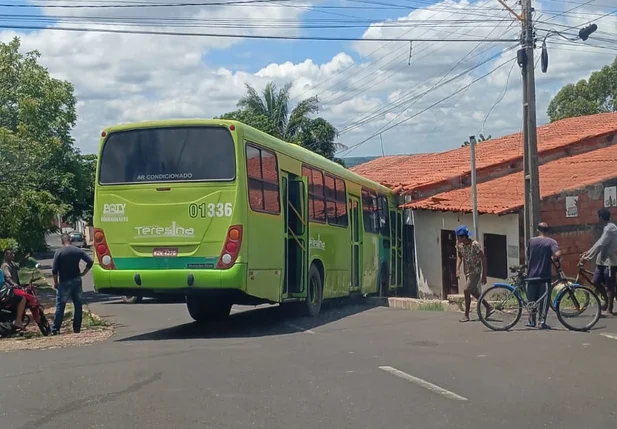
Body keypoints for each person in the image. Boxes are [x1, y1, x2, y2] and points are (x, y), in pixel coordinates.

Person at [51, 233, 94, 335]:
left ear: (62, 241)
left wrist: (55, 282)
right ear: (70, 240)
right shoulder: (78, 251)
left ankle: (56, 329)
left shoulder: (59, 252)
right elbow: (90, 262)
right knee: (78, 305)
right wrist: (83, 273)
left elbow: (54, 270)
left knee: (60, 305)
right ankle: (76, 328)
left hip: (64, 281)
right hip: (76, 280)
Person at [580, 208, 617, 317]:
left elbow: (600, 244)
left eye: (598, 217)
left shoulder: (610, 229)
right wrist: (588, 252)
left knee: (609, 285)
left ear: (600, 218)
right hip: (601, 260)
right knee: (596, 281)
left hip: (610, 261)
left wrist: (587, 257)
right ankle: (606, 302)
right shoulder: (606, 227)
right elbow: (598, 243)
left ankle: (609, 309)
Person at [526, 222, 561, 329]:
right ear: (547, 231)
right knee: (544, 301)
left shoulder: (531, 241)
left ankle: (532, 321)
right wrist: (555, 257)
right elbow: (557, 253)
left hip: (531, 275)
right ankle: (541, 322)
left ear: (538, 230)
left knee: (532, 300)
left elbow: (528, 255)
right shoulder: (551, 242)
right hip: (544, 276)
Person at [455, 225, 492, 322]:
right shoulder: (460, 245)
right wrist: (457, 269)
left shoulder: (475, 245)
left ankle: (466, 315)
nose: (457, 239)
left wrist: (484, 275)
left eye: (458, 237)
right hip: (467, 271)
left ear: (463, 237)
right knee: (473, 291)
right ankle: (488, 307)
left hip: (476, 271)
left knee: (466, 289)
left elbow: (483, 259)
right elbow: (459, 256)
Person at [1, 249, 30, 329]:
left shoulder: (12, 264)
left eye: (13, 253)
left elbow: (18, 265)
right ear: (6, 255)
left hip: (13, 288)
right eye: (11, 254)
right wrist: (14, 284)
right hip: (9, 290)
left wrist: (25, 258)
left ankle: (18, 319)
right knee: (22, 299)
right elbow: (8, 278)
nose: (13, 255)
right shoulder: (5, 266)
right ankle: (18, 321)